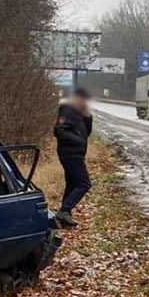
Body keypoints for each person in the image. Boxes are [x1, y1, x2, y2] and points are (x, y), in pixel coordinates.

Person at [53, 87, 93, 228]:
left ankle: (65, 215)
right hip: (69, 152)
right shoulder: (68, 110)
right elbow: (58, 131)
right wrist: (78, 140)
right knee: (84, 184)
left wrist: (88, 116)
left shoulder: (78, 112)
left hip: (76, 152)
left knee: (72, 184)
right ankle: (64, 211)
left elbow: (87, 132)